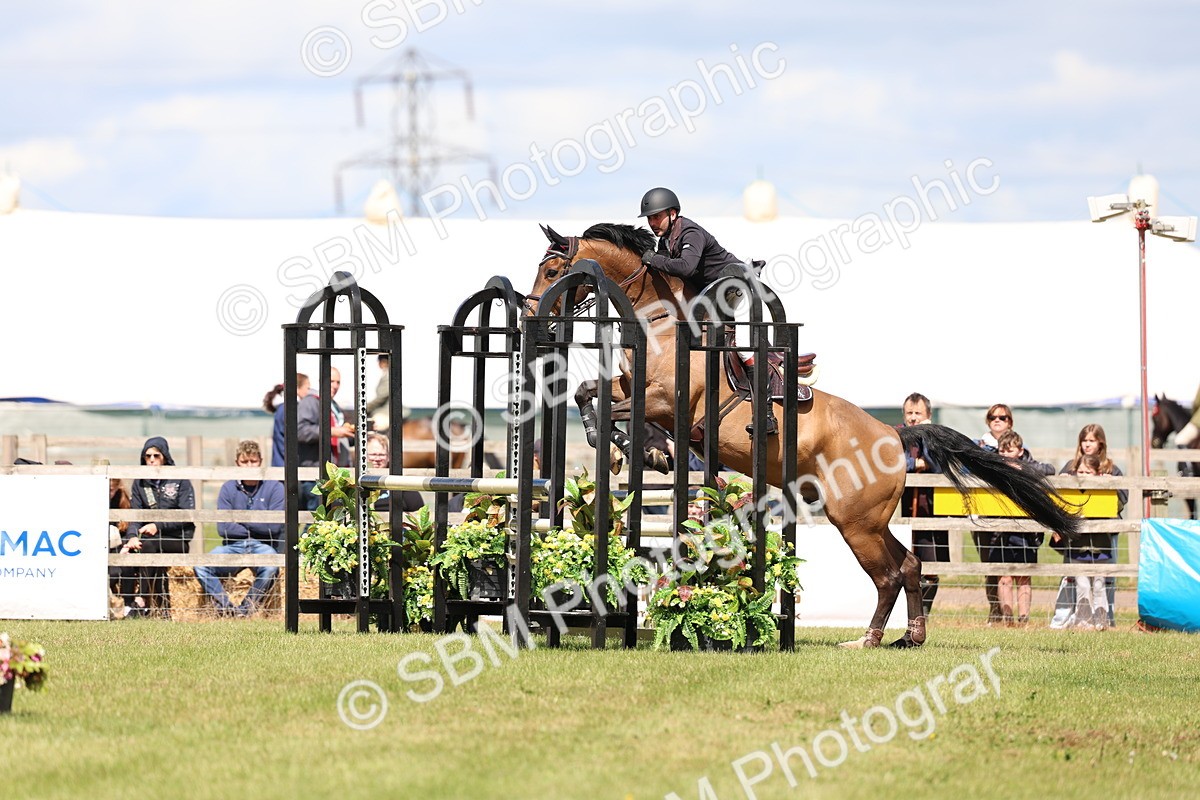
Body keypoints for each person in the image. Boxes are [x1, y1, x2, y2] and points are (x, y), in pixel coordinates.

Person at [636, 187, 777, 436]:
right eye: (649, 218)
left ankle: (766, 414)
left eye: (656, 216)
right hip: (713, 297)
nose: (652, 222)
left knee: (744, 345)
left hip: (738, 288)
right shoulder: (665, 240)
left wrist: (652, 259)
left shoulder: (690, 231)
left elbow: (687, 268)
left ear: (673, 213)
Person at [194, 440, 285, 617]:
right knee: (200, 566)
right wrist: (258, 521)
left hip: (262, 546)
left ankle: (244, 610)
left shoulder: (275, 487)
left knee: (270, 566)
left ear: (261, 461)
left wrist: (240, 518)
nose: (249, 466)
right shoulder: (228, 488)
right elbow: (224, 528)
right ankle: (227, 608)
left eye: (253, 461)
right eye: (245, 462)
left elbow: (273, 528)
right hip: (233, 546)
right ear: (237, 463)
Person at [1050, 424, 1125, 629]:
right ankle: (1068, 617)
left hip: (1104, 532)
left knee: (1103, 580)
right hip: (1076, 534)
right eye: (1084, 440)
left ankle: (1104, 618)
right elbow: (1061, 498)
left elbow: (1122, 498)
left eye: (1091, 440)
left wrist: (1107, 486)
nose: (1087, 444)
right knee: (1074, 577)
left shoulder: (1112, 468)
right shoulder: (1071, 465)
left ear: (1100, 442)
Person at [127, 437, 195, 618]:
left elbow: (187, 515)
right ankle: (162, 610)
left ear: (164, 457)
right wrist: (132, 536)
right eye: (147, 456)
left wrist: (158, 525)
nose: (151, 460)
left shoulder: (179, 480)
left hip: (177, 539)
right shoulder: (140, 483)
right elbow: (135, 516)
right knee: (143, 546)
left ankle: (141, 600)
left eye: (156, 455)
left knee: (149, 545)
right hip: (149, 540)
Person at [994, 430, 1054, 625]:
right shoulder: (994, 466)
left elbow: (1050, 469)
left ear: (1020, 451)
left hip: (1026, 532)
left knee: (1024, 575)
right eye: (1002, 450)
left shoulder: (1030, 464)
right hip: (1000, 530)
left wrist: (1022, 470)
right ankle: (1007, 618)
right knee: (1004, 576)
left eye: (1009, 450)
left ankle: (1024, 619)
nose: (1005, 454)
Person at [899, 393, 948, 617]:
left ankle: (924, 610)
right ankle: (908, 611)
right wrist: (914, 463)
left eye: (918, 413)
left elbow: (938, 466)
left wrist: (927, 436)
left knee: (931, 564)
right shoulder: (899, 435)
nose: (913, 418)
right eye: (909, 413)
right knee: (904, 562)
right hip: (904, 508)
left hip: (932, 509)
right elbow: (896, 462)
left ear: (928, 416)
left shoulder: (934, 436)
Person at [972, 404, 1014, 622]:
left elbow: (1036, 467)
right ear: (988, 421)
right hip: (985, 514)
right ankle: (995, 610)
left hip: (1012, 516)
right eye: (993, 417)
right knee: (990, 565)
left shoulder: (1018, 446)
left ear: (1010, 422)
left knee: (1014, 566)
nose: (998, 420)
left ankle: (1013, 613)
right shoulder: (978, 446)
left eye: (1003, 417)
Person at [297, 367, 355, 507]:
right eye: (331, 381)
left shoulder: (333, 405)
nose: (335, 386)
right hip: (315, 473)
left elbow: (341, 438)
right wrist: (332, 432)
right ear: (321, 381)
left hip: (334, 474)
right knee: (316, 520)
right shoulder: (310, 402)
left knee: (330, 520)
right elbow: (300, 431)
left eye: (338, 382)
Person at [365, 433, 423, 513]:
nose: (377, 458)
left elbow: (419, 509)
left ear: (388, 457)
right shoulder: (353, 481)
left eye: (382, 455)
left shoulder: (400, 481)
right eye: (373, 454)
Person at [265, 373, 310, 468]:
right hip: (285, 466)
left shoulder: (283, 407)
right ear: (297, 388)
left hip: (281, 463)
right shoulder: (289, 409)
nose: (309, 392)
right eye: (307, 388)